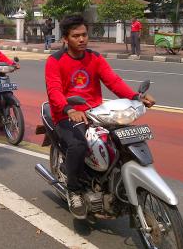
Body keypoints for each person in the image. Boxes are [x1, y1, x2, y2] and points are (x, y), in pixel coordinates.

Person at [45, 14, 155, 219]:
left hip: (96, 112)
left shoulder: (95, 58)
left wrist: (136, 96)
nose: (82, 39)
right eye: (76, 36)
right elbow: (54, 92)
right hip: (66, 115)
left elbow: (113, 81)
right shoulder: (55, 61)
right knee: (78, 145)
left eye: (84, 35)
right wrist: (69, 109)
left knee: (122, 139)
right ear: (65, 39)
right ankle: (74, 190)